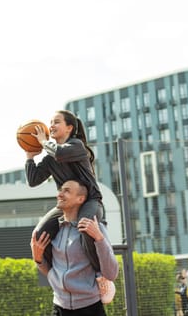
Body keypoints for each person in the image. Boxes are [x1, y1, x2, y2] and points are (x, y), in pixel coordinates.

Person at [25, 110, 104, 271]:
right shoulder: (50, 158)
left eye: (56, 122)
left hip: (89, 202)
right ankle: (55, 274)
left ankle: (100, 274)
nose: (51, 126)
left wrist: (43, 142)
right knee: (39, 235)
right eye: (51, 122)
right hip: (67, 206)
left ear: (69, 128)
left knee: (85, 226)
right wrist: (29, 157)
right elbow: (33, 181)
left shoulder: (77, 146)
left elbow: (60, 153)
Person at [30, 179, 119, 315]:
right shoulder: (55, 231)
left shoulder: (95, 228)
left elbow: (112, 273)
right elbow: (50, 271)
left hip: (90, 308)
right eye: (60, 190)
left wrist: (99, 239)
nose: (60, 194)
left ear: (80, 199)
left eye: (67, 191)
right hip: (59, 307)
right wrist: (38, 260)